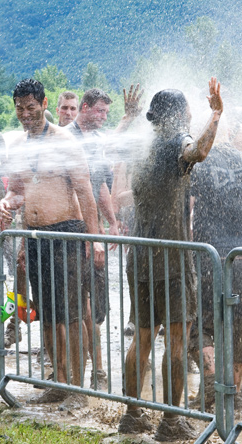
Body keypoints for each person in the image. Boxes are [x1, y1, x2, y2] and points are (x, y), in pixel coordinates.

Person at [117, 78, 224, 442]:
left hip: (141, 256)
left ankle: (132, 415)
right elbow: (200, 152)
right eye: (189, 110)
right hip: (173, 258)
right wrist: (216, 114)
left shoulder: (143, 145)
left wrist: (128, 118)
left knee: (143, 338)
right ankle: (171, 420)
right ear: (179, 115)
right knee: (176, 340)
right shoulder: (176, 141)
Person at [0, 78, 105, 409]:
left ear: (45, 104)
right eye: (19, 109)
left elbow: (85, 191)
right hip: (33, 236)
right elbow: (17, 189)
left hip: (67, 233)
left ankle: (78, 390)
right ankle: (58, 381)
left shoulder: (65, 142)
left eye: (31, 108)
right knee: (46, 314)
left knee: (71, 315)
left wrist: (95, 239)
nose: (25, 114)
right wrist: (8, 203)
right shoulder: (17, 146)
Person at [65, 86, 143, 389]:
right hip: (75, 231)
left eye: (106, 113)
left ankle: (92, 369)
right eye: (100, 111)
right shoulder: (67, 139)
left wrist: (111, 223)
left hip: (94, 231)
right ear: (84, 108)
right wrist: (90, 234)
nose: (103, 117)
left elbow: (99, 187)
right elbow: (76, 192)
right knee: (79, 305)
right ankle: (89, 372)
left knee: (95, 307)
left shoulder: (96, 140)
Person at [188, 139, 242, 412]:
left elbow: (188, 209)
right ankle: (233, 392)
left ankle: (211, 380)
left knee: (201, 322)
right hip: (241, 257)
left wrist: (190, 245)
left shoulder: (200, 164)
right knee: (241, 324)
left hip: (209, 255)